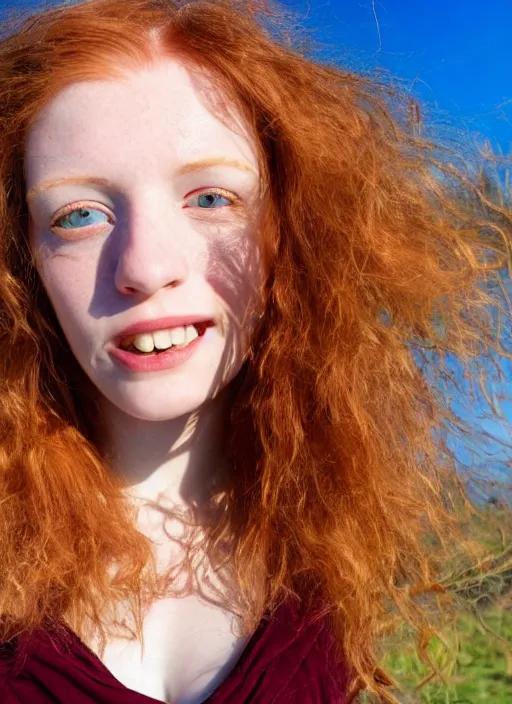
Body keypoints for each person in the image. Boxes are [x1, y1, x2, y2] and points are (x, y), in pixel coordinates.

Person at [0, 0, 510, 702]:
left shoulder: (327, 536)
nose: (146, 267)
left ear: (286, 236)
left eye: (211, 198)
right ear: (23, 258)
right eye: (79, 214)